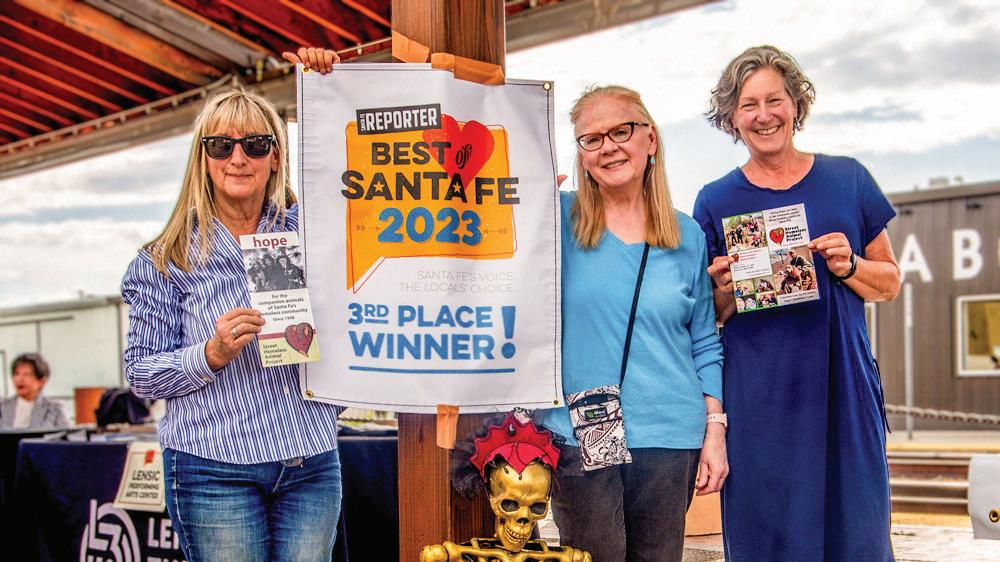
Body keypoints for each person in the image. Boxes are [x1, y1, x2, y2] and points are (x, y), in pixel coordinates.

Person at [692, 45, 901, 561]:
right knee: (768, 537)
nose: (764, 115)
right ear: (731, 117)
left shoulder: (849, 178)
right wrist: (724, 288)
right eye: (748, 105)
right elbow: (708, 317)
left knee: (857, 535)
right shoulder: (715, 200)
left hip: (843, 388)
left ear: (796, 105)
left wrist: (849, 265)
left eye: (775, 100)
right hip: (759, 399)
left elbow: (890, 283)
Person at [121, 82, 342, 562]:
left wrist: (327, 80)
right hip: (213, 468)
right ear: (203, 158)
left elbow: (371, 191)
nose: (238, 158)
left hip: (310, 460)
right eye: (221, 145)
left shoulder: (317, 233)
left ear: (276, 157)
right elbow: (139, 373)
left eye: (255, 145)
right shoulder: (165, 259)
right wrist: (210, 354)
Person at [541, 85, 726, 562]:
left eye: (621, 131)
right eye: (591, 138)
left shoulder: (687, 235)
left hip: (670, 433)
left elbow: (704, 341)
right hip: (577, 431)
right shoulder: (555, 219)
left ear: (650, 139)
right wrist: (522, 203)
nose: (608, 147)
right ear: (581, 155)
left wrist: (715, 431)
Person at [0, 353, 69, 429]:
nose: (20, 379)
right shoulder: (2, 406)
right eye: (16, 374)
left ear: (41, 381)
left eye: (27, 374)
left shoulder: (55, 410)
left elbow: (67, 435)